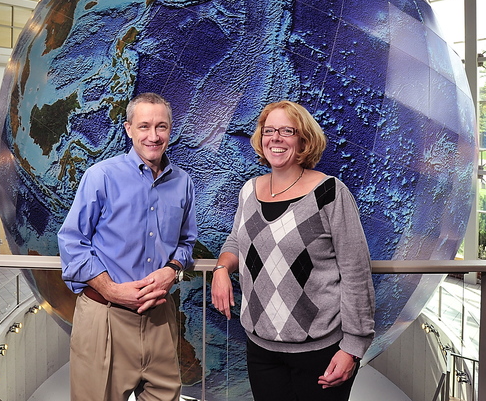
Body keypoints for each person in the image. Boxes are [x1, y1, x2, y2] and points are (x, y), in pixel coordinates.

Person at [211, 100, 375, 401]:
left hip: (320, 353)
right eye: (269, 130)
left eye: (287, 130)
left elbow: (356, 272)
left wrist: (353, 347)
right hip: (261, 350)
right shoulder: (249, 191)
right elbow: (236, 240)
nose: (276, 137)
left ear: (303, 139)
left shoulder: (330, 193)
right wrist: (221, 269)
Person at [58, 92, 197, 401]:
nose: (153, 135)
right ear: (128, 129)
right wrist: (109, 288)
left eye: (161, 127)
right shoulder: (101, 177)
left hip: (160, 318)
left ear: (170, 131)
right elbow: (71, 240)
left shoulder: (183, 183)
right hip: (105, 318)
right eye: (144, 126)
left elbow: (186, 243)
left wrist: (172, 271)